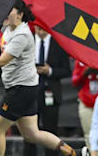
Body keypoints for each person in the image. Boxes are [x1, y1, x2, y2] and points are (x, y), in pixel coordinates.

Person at [0, 0, 76, 156]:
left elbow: (2, 60)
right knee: (32, 134)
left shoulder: (22, 35)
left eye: (10, 10)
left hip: (20, 90)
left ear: (20, 15)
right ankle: (74, 152)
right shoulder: (6, 28)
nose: (6, 13)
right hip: (25, 88)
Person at [33, 25, 69, 156]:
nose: (39, 31)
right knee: (29, 131)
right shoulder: (27, 40)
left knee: (51, 130)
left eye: (42, 28)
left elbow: (66, 70)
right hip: (31, 92)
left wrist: (50, 71)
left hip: (51, 92)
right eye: (37, 28)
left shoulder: (58, 43)